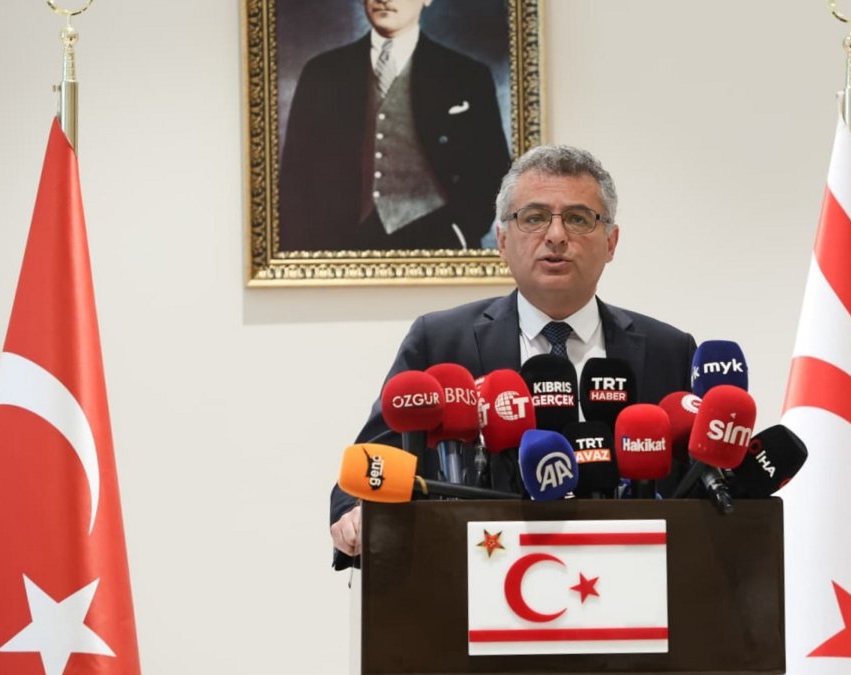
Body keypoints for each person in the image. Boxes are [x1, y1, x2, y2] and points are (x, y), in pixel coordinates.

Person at [329, 145, 698, 569]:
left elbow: (698, 485)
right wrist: (354, 512)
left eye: (578, 219)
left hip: (632, 590)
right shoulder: (441, 342)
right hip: (476, 586)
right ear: (502, 240)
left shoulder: (668, 350)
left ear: (611, 242)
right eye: (534, 218)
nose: (556, 236)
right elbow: (373, 465)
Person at [279, 0, 510, 252]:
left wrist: (462, 230)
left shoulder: (467, 75)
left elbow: (493, 171)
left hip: (438, 241)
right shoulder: (321, 72)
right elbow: (295, 175)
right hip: (339, 246)